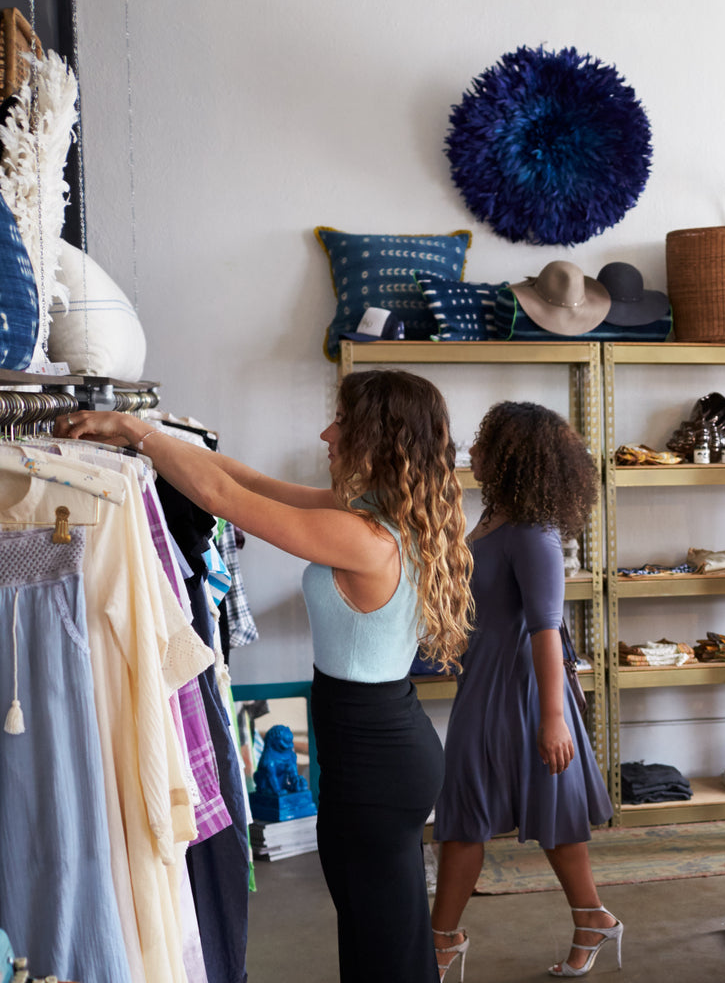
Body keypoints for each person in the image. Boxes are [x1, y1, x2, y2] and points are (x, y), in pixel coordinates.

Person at [56, 369, 474, 983]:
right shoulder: (377, 517)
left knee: (384, 945)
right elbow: (246, 482)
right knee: (380, 933)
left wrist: (134, 429)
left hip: (376, 765)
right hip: (377, 751)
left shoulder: (364, 537)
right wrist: (158, 439)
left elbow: (223, 501)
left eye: (342, 423)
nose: (327, 434)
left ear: (379, 437)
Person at [431, 401, 618, 980]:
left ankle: (441, 941)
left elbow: (546, 629)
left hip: (527, 692)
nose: (473, 450)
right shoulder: (494, 519)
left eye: (486, 443)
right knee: (468, 807)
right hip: (486, 683)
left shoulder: (534, 534)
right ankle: (588, 918)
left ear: (514, 456)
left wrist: (554, 719)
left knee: (540, 809)